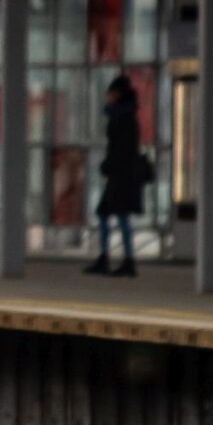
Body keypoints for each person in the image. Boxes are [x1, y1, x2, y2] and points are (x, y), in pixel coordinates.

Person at [89, 73, 151, 278]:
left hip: (121, 177)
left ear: (118, 94)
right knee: (110, 214)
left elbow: (121, 149)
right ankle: (117, 258)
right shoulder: (123, 116)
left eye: (111, 92)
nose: (108, 96)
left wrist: (109, 165)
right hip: (121, 175)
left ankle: (122, 259)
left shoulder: (123, 119)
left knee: (118, 216)